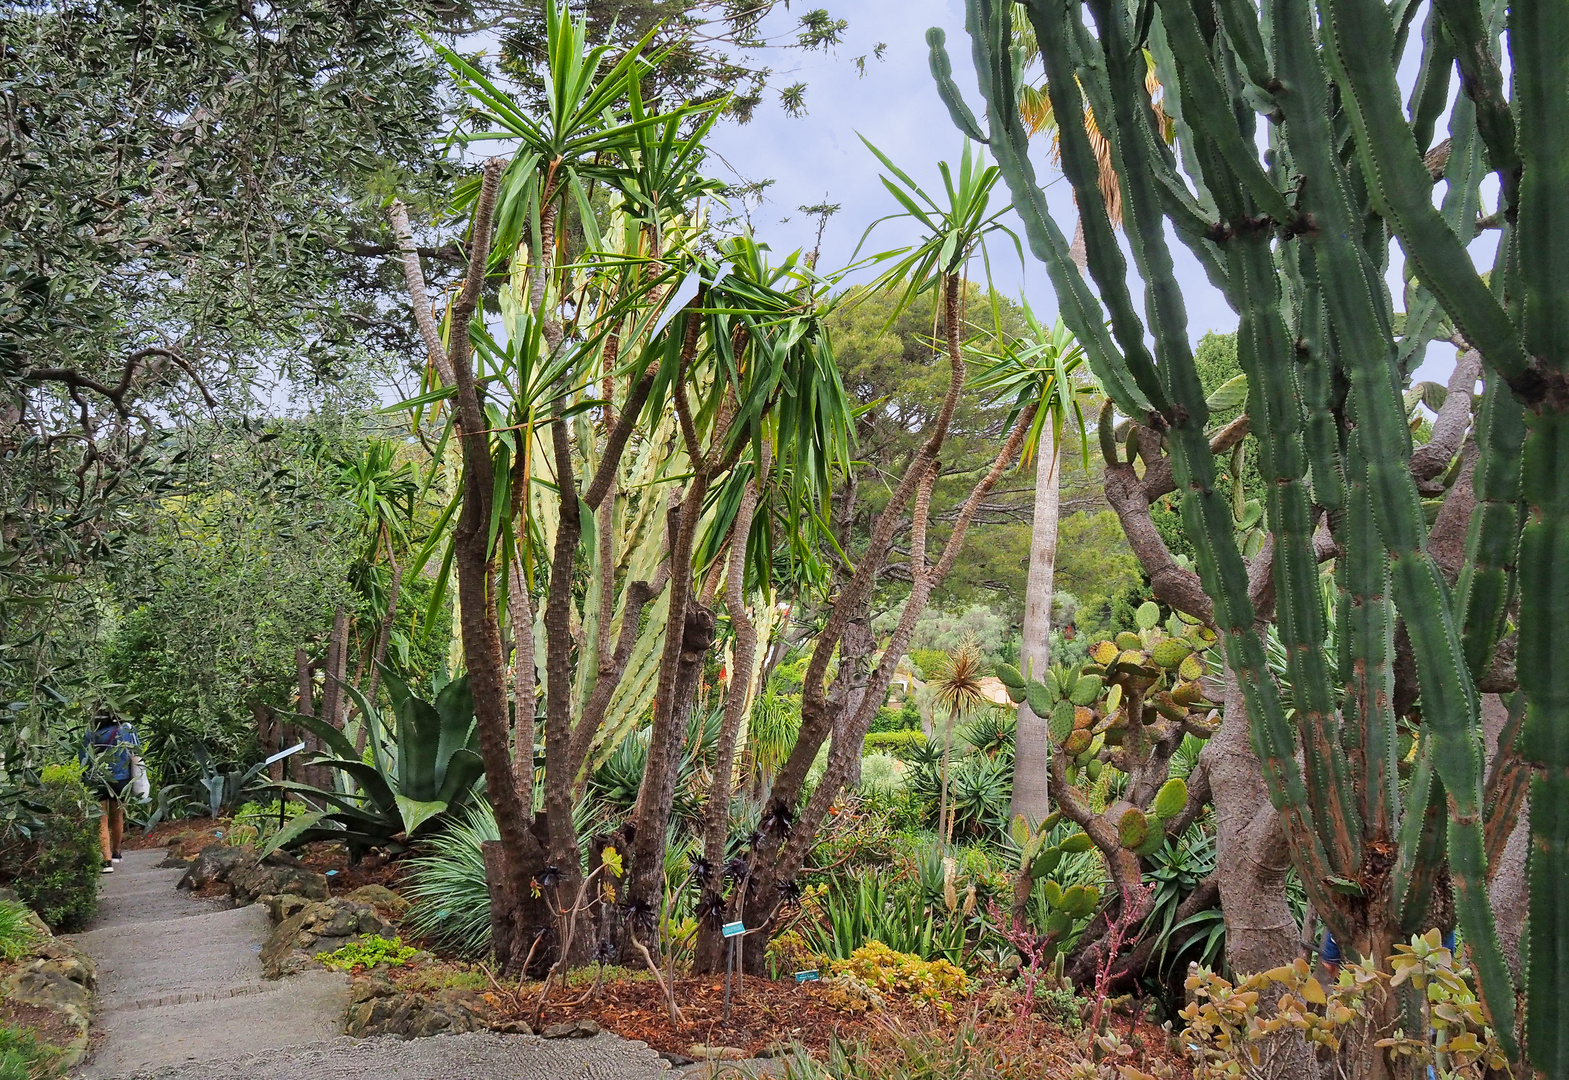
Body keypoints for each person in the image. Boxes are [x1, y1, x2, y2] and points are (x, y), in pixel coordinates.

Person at [80, 713, 141, 873]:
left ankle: (106, 862)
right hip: (121, 780)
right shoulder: (127, 729)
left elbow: (83, 759)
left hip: (97, 781)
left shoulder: (90, 733)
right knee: (118, 815)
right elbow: (136, 753)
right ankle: (117, 852)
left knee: (101, 820)